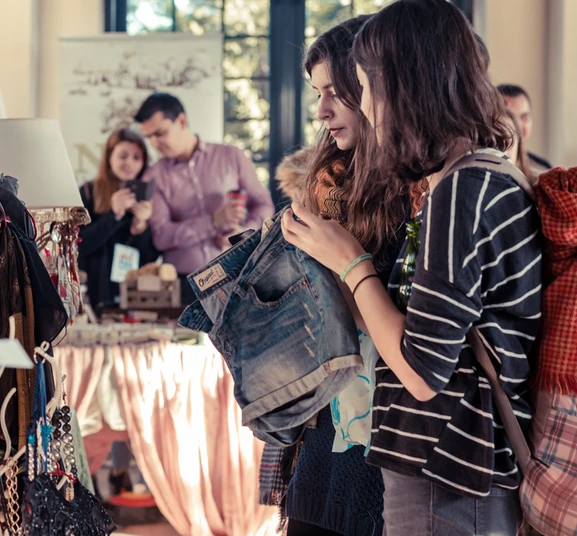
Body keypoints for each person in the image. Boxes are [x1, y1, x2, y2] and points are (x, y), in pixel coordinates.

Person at [282, 1, 542, 534]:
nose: (365, 105)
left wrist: (349, 260)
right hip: (450, 470)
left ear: (401, 86)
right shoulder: (479, 178)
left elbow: (422, 373)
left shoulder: (462, 190)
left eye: (362, 87)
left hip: (448, 474)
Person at [271, 16, 419, 536]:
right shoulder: (325, 183)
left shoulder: (420, 191)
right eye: (318, 93)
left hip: (389, 428)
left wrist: (342, 267)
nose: (321, 110)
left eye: (335, 91)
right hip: (323, 423)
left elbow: (413, 339)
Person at [134, 93, 274, 302]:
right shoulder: (154, 176)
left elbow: (263, 204)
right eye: (149, 137)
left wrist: (243, 235)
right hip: (185, 290)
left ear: (182, 121)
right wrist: (213, 222)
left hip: (239, 278)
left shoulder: (232, 156)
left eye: (160, 133)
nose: (154, 143)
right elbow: (161, 236)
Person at [77, 127, 159, 315]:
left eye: (137, 158)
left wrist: (140, 227)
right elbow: (80, 244)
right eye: (123, 156)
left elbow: (150, 259)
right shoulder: (89, 192)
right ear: (109, 157)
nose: (129, 163)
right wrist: (113, 215)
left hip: (133, 297)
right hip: (95, 293)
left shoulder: (147, 197)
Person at [498, 83, 552, 171]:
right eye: (508, 117)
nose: (517, 126)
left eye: (524, 118)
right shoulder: (483, 169)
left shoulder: (544, 170)